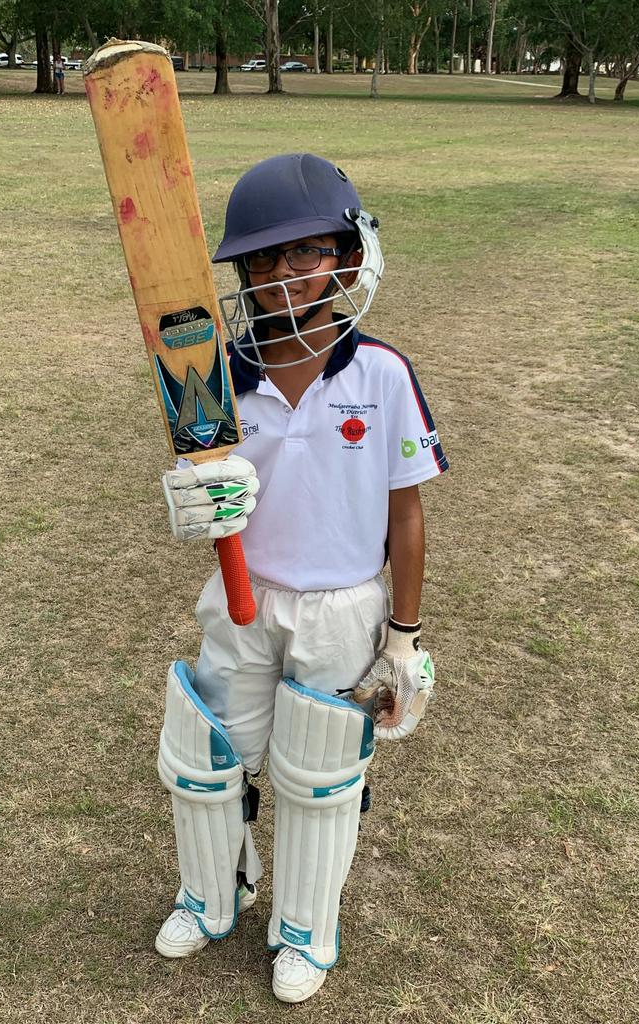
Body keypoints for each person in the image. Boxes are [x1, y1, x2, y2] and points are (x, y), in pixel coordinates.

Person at [155, 153, 448, 1003]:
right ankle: (213, 896)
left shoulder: (382, 373)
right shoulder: (206, 374)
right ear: (242, 270)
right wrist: (189, 504)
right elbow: (202, 485)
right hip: (244, 596)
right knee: (205, 759)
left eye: (307, 252)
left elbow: (406, 514)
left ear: (348, 259)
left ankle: (306, 935)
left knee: (320, 776)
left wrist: (404, 635)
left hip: (342, 604)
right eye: (264, 258)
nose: (284, 274)